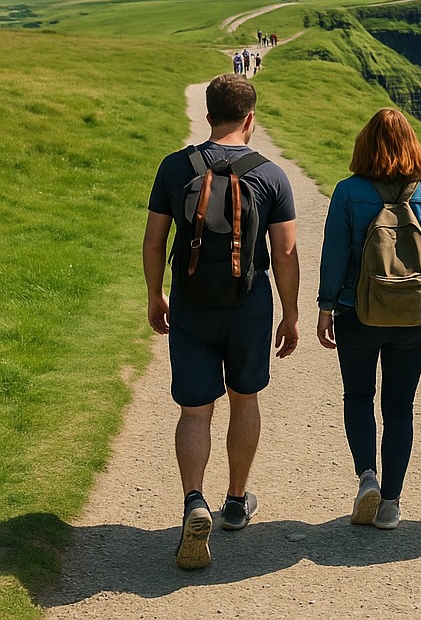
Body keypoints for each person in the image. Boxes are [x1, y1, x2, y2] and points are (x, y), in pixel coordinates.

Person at [143, 73, 300, 569]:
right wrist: (291, 314)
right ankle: (235, 501)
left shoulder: (175, 167)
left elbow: (154, 240)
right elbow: (286, 253)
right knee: (244, 399)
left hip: (191, 304)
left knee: (195, 412)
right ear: (250, 118)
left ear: (208, 115)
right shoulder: (270, 175)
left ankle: (194, 500)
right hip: (248, 305)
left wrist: (155, 293)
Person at [317, 108, 421, 530]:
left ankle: (367, 478)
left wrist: (326, 307)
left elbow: (334, 254)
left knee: (358, 396)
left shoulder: (347, 192)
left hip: (357, 312)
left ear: (365, 144)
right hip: (412, 316)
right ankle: (391, 503)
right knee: (399, 407)